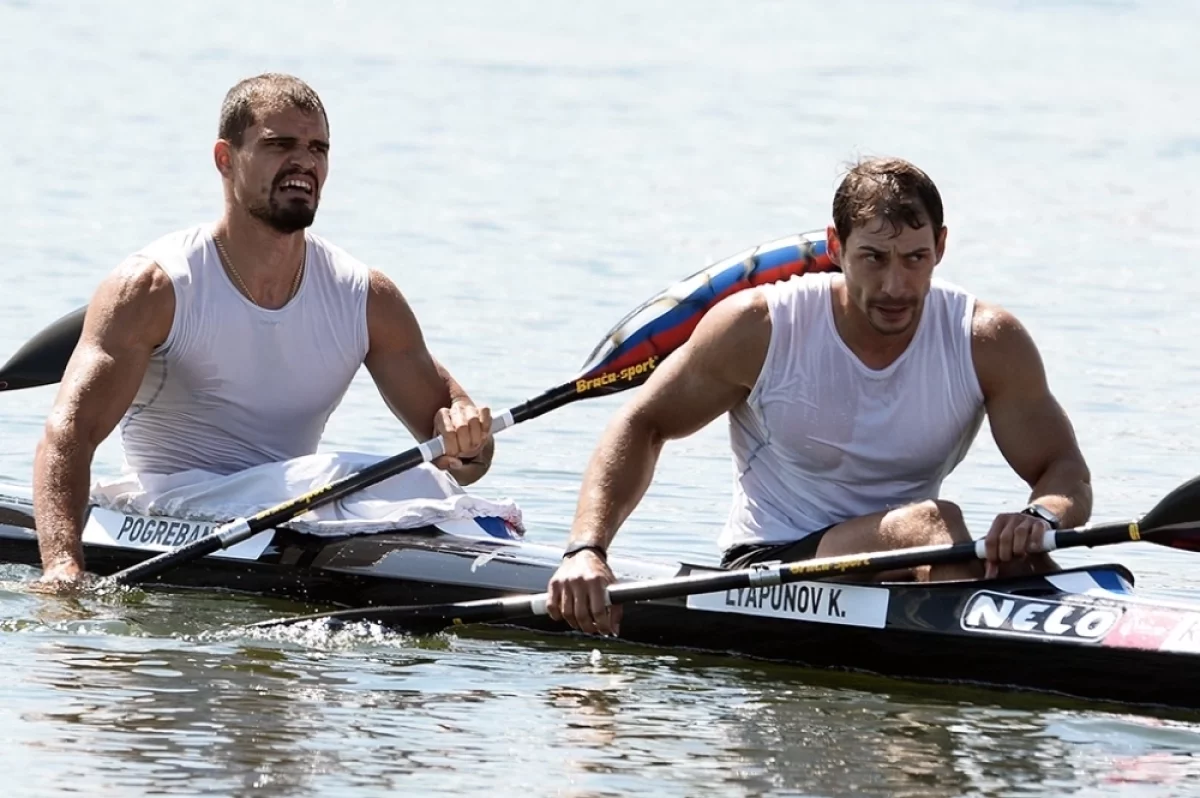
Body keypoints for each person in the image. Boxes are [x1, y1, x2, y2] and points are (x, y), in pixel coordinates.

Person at [546, 156, 1092, 636]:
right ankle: (976, 667)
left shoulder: (986, 340)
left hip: (910, 560)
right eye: (874, 258)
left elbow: (1063, 469)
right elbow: (643, 423)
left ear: (941, 246)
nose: (897, 286)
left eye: (915, 258)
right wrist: (587, 550)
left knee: (1013, 555)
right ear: (836, 247)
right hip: (770, 567)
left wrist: (1040, 518)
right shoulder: (759, 326)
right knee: (935, 525)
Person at [32, 73, 493, 590]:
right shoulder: (154, 287)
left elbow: (464, 461)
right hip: (177, 506)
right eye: (280, 145)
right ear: (225, 159)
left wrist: (467, 443)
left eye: (318, 148)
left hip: (301, 504)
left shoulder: (367, 297)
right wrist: (62, 565)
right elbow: (69, 433)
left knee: (420, 476)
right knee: (365, 472)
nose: (305, 162)